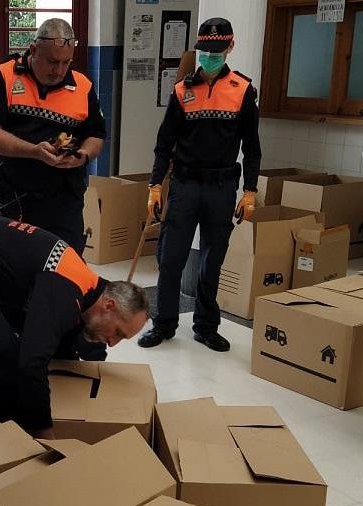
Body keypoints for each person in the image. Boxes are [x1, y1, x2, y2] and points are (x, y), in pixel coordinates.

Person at [0, 212, 149, 439]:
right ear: (109, 305)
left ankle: (0, 430)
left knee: (17, 351)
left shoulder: (87, 285)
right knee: (3, 354)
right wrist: (45, 433)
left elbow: (60, 347)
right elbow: (32, 363)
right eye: (118, 332)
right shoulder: (65, 291)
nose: (113, 342)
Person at [136, 17, 261, 353]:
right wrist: (154, 185)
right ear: (196, 48)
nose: (210, 56)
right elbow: (164, 145)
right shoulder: (182, 91)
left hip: (221, 187)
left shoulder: (243, 90)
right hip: (185, 185)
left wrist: (250, 190)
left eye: (217, 51)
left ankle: (206, 326)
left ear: (230, 48)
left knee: (211, 260)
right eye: (204, 50)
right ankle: (164, 324)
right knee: (172, 257)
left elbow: (252, 147)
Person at [0, 18, 106, 254]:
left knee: (66, 269)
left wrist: (83, 155)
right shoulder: (4, 76)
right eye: (52, 61)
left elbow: (96, 136)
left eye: (66, 62)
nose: (59, 71)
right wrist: (34, 151)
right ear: (33, 49)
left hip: (65, 199)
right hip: (16, 195)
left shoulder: (83, 86)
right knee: (13, 268)